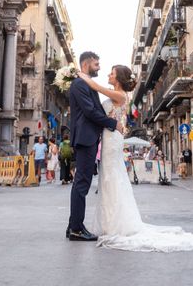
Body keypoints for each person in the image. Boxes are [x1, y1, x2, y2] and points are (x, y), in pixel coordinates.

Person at [77, 63, 193, 251]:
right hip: (108, 137)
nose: (108, 74)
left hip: (112, 139)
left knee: (112, 178)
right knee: (108, 179)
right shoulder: (115, 93)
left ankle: (116, 224)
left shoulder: (120, 95)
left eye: (112, 72)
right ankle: (109, 223)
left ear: (118, 78)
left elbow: (97, 88)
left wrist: (82, 76)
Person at [66, 51, 118, 242]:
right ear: (86, 64)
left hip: (88, 137)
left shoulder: (86, 83)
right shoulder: (80, 84)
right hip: (85, 138)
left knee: (81, 183)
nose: (99, 67)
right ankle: (77, 229)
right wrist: (112, 123)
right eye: (96, 64)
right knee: (82, 184)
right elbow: (89, 111)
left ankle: (73, 226)